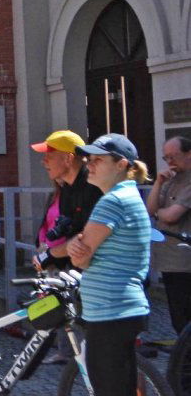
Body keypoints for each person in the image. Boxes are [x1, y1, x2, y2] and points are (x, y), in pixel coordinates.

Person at [65, 134, 151, 396]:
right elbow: (83, 251)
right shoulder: (128, 196)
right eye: (89, 159)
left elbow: (80, 257)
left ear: (121, 164)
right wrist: (77, 248)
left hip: (110, 311)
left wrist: (75, 249)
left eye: (98, 160)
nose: (89, 164)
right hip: (119, 309)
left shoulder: (113, 201)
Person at [30, 129, 103, 364]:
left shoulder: (92, 186)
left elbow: (83, 238)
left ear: (68, 158)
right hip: (77, 270)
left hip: (100, 273)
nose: (43, 161)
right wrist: (48, 251)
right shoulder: (68, 189)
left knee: (108, 350)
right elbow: (68, 232)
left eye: (49, 155)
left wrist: (49, 254)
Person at [146, 136, 191, 335]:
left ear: (189, 154)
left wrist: (159, 213)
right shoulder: (170, 180)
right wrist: (157, 183)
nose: (170, 162)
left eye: (174, 156)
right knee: (177, 316)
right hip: (167, 259)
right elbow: (150, 209)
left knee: (185, 317)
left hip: (184, 261)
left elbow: (172, 215)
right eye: (166, 158)